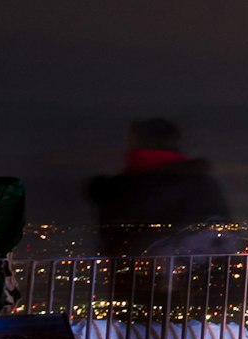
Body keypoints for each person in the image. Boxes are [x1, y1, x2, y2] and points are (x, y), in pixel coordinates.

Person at [85, 117, 235, 302]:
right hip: (193, 291)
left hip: (136, 290)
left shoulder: (122, 187)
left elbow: (115, 240)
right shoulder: (200, 184)